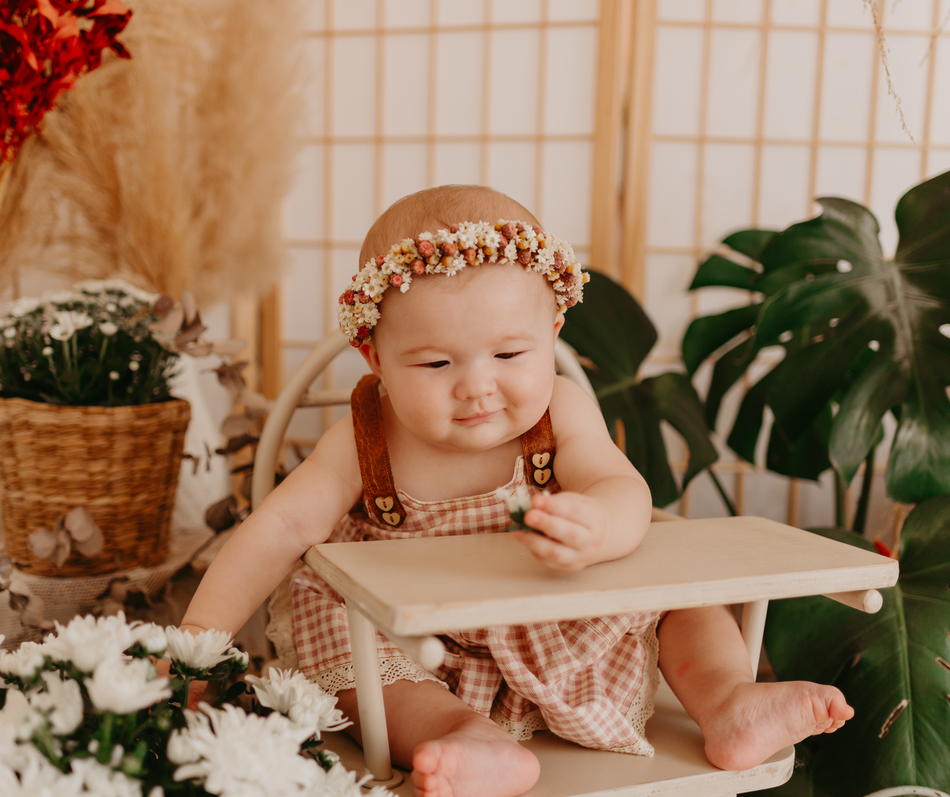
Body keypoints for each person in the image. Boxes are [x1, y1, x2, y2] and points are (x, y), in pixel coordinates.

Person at [179, 185, 854, 797]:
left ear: (552, 333)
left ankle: (729, 699)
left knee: (684, 595)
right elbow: (280, 527)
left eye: (509, 355)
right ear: (376, 358)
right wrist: (192, 648)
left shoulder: (560, 412)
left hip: (556, 613)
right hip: (416, 638)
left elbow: (623, 487)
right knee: (341, 637)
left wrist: (597, 522)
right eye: (437, 362)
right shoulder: (363, 438)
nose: (477, 385)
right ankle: (464, 736)